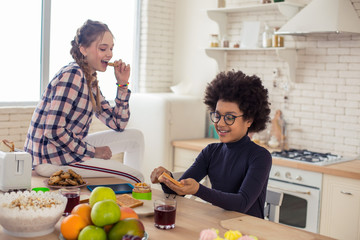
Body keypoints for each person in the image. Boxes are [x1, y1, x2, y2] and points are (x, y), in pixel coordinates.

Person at [24, 20, 144, 183]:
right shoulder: (73, 75)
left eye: (111, 48)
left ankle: (130, 198)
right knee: (136, 177)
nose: (109, 54)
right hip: (52, 158)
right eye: (103, 48)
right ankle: (135, 197)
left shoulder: (90, 79)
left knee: (135, 138)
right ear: (83, 49)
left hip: (64, 150)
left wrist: (122, 84)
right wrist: (93, 152)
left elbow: (118, 124)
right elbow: (52, 130)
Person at [150, 70, 272, 218]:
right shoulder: (211, 152)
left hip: (250, 231)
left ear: (249, 120)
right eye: (217, 115)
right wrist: (166, 178)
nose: (220, 123)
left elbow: (241, 204)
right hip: (219, 225)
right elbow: (179, 190)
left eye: (229, 117)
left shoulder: (260, 156)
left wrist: (198, 190)